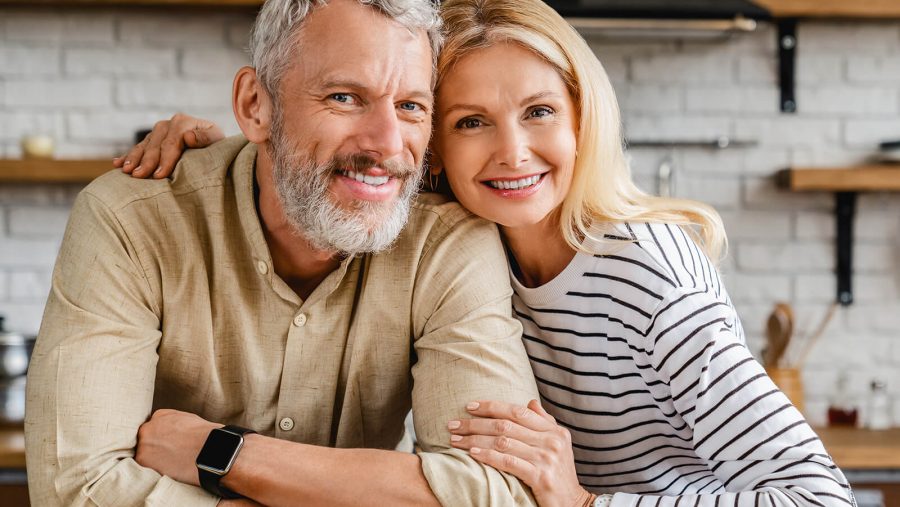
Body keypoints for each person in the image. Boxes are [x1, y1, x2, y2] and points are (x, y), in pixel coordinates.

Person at [124, 0, 858, 506]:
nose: (512, 152)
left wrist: (586, 500)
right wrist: (215, 152)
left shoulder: (647, 270)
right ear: (434, 146)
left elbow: (817, 493)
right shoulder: (461, 246)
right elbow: (340, 155)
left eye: (539, 111)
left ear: (582, 116)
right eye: (472, 120)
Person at [24, 1, 544, 506]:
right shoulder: (132, 219)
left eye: (410, 106)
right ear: (256, 105)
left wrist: (226, 455)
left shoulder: (448, 240)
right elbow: (78, 486)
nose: (387, 143)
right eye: (344, 97)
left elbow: (497, 492)